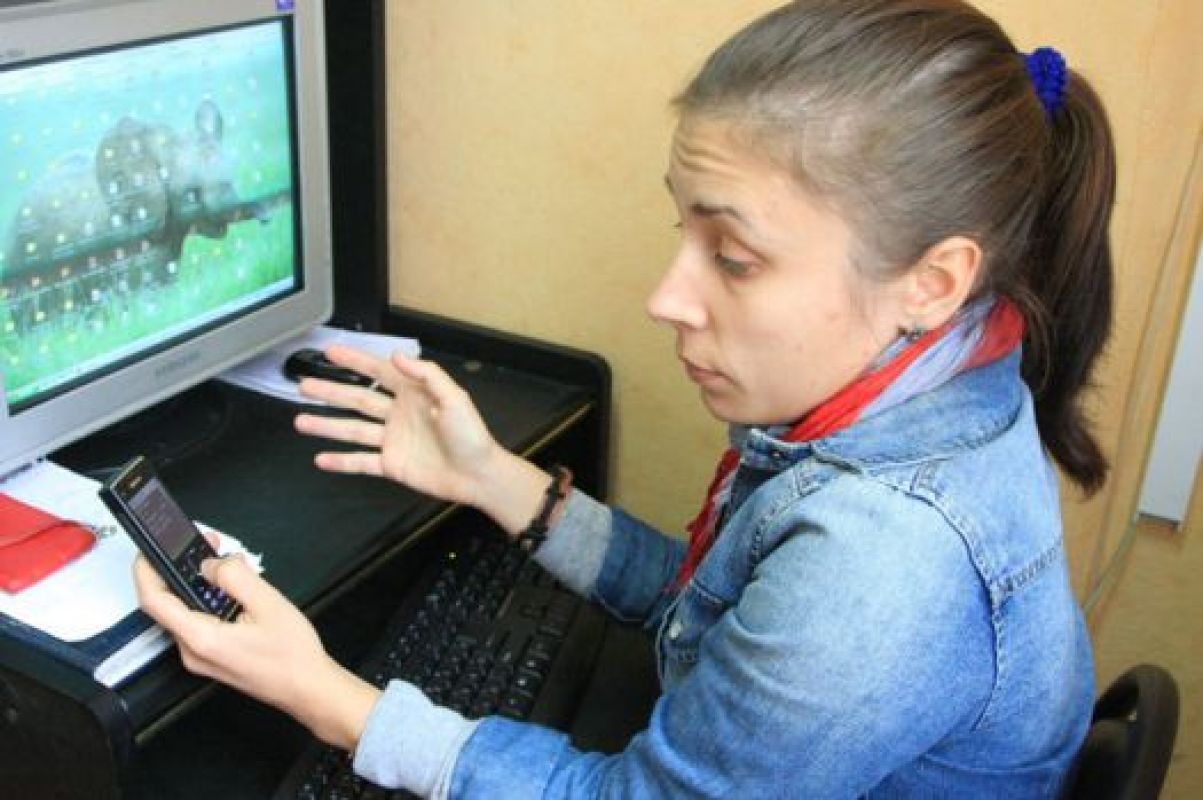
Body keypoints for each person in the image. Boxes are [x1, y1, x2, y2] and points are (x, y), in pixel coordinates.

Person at [134, 0, 1116, 796]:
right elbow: (712, 608)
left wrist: (325, 696)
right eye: (685, 234)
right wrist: (496, 479)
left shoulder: (885, 559)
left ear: (932, 282)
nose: (666, 297)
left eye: (734, 257)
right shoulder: (941, 381)